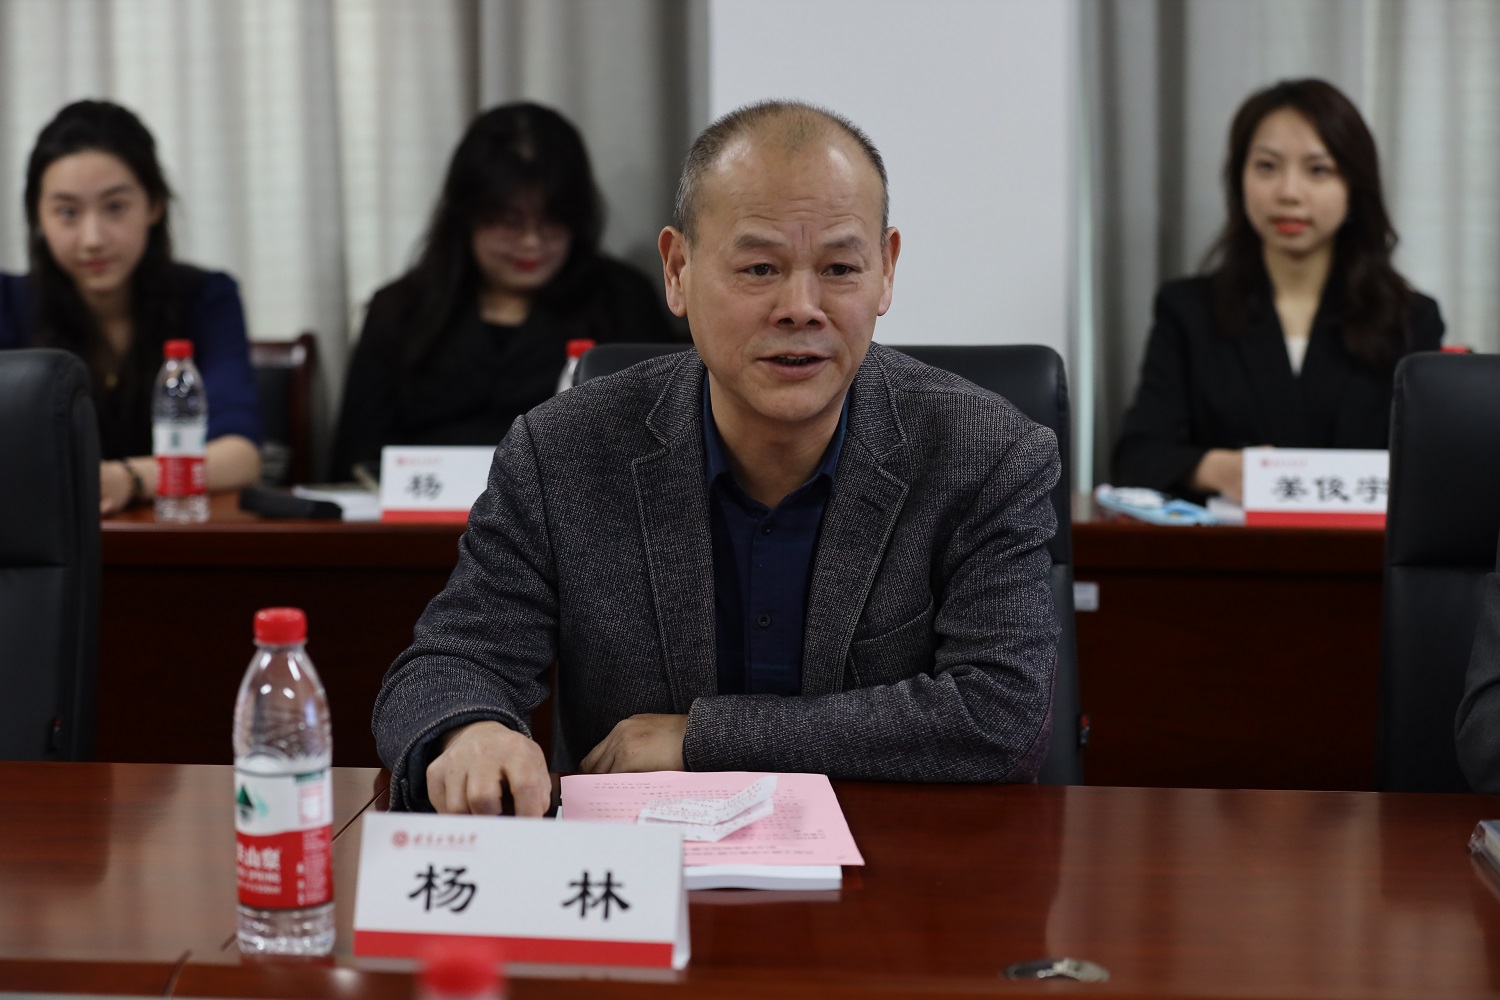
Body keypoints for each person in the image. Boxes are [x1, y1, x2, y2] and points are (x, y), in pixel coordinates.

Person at [372, 99, 1062, 815]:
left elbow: (1001, 716)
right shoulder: (564, 451)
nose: (801, 307)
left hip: (897, 862)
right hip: (638, 863)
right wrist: (472, 730)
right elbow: (448, 664)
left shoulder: (986, 454)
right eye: (760, 267)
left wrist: (703, 739)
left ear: (885, 270)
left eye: (839, 268)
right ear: (678, 269)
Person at [1112, 78, 1443, 503]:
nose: (1288, 193)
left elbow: (1432, 468)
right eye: (1267, 167)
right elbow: (1137, 457)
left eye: (1318, 170)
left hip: (1362, 546)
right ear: (1239, 179)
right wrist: (1217, 469)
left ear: (1354, 187)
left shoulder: (1410, 319)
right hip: (1231, 543)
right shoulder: (1187, 310)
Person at [330, 102, 679, 481]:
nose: (532, 242)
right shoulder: (399, 310)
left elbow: (663, 444)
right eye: (510, 223)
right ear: (467, 216)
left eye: (551, 221)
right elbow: (356, 460)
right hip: (420, 513)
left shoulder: (622, 299)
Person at [0, 100, 262, 514]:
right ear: (38, 218)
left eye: (115, 207)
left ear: (154, 205)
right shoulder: (8, 302)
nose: (93, 239)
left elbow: (239, 455)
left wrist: (130, 479)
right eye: (67, 212)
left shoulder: (207, 296)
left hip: (173, 535)